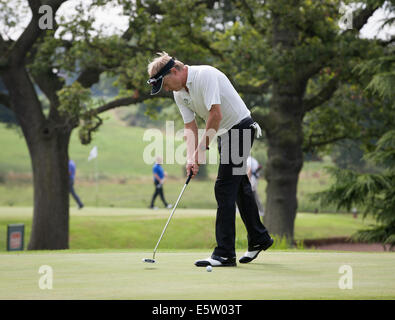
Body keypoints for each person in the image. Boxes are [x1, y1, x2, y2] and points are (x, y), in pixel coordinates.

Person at [146, 52, 273, 267]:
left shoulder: (205, 75)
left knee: (224, 187)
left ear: (174, 71)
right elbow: (190, 127)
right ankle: (259, 238)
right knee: (239, 185)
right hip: (225, 134)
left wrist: (201, 151)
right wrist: (191, 158)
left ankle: (224, 253)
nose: (166, 90)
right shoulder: (179, 93)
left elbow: (215, 114)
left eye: (165, 84)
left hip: (240, 129)